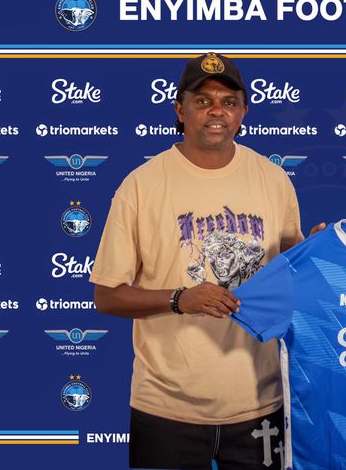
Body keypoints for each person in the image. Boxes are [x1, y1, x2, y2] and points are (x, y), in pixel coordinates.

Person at [90, 52, 303, 469]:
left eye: (228, 101)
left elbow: (293, 279)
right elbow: (107, 296)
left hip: (260, 401)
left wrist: (335, 243)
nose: (216, 111)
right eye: (203, 100)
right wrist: (178, 299)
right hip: (166, 407)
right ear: (180, 110)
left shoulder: (274, 180)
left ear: (243, 112)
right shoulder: (141, 185)